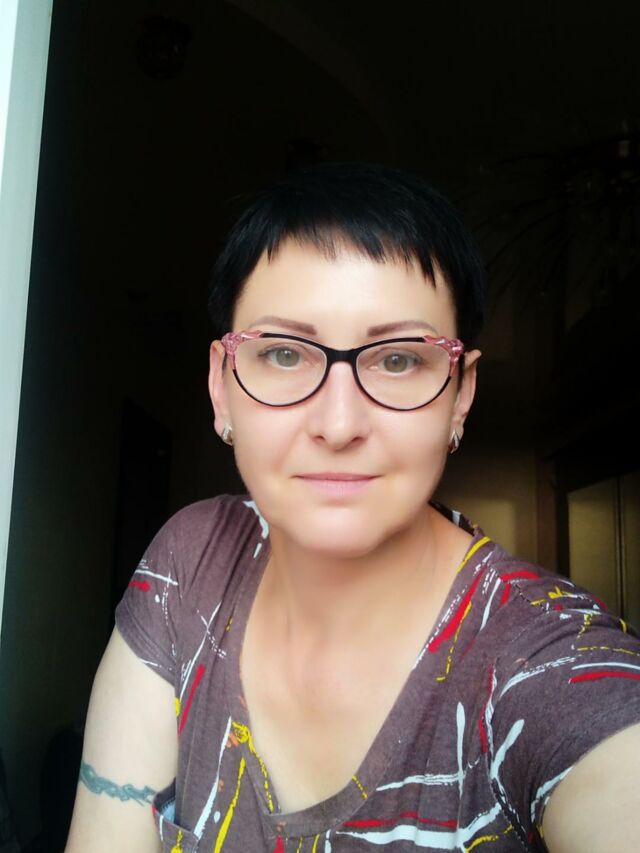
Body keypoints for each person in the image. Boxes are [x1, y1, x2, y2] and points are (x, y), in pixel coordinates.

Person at [66, 163, 640, 852]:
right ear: (222, 386)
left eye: (398, 360)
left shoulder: (554, 669)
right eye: (284, 353)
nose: (338, 425)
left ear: (461, 394)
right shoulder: (191, 562)